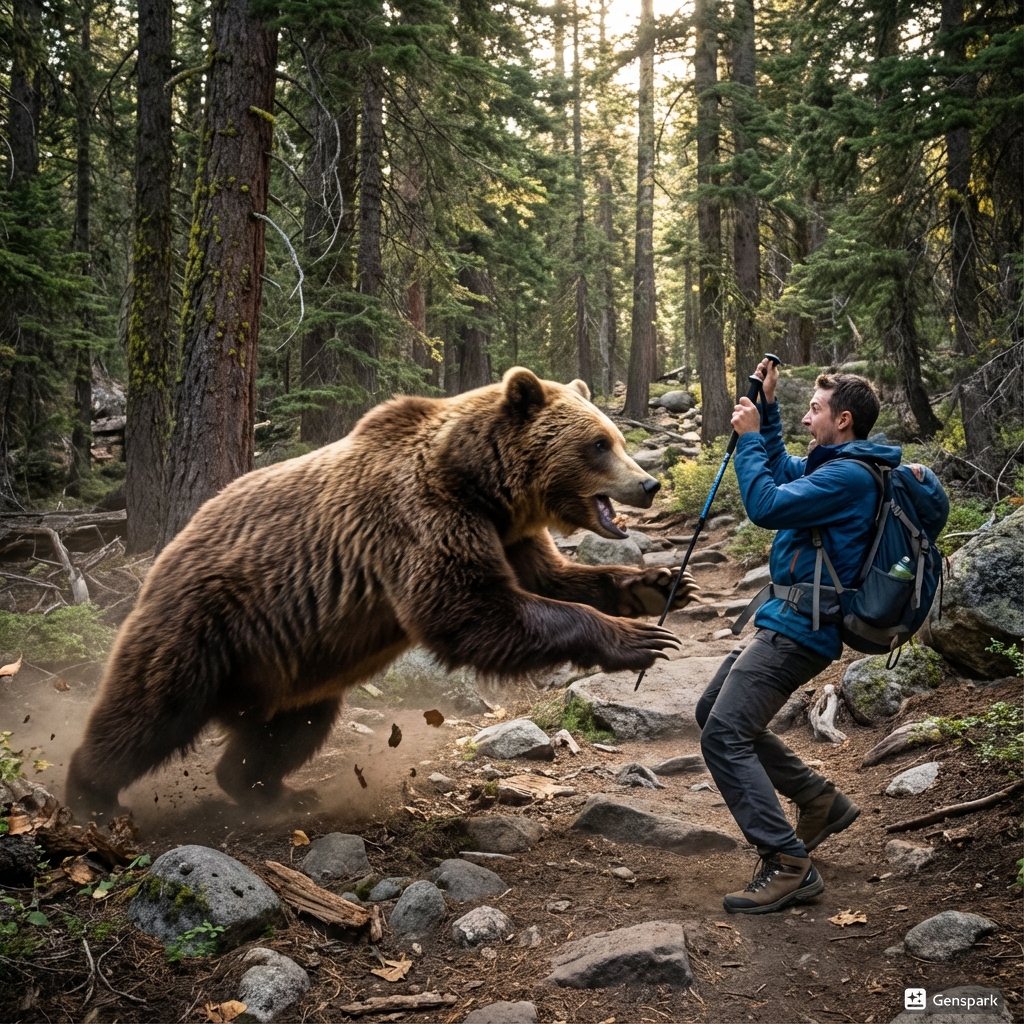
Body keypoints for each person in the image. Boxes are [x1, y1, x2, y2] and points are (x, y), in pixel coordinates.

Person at [696, 360, 899, 914]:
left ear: (844, 419)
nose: (807, 419)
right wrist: (765, 411)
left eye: (815, 410)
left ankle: (788, 864)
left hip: (799, 631)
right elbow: (783, 469)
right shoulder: (834, 465)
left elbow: (766, 505)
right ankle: (818, 800)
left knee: (724, 735)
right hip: (788, 621)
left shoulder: (849, 477)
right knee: (712, 710)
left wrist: (746, 441)